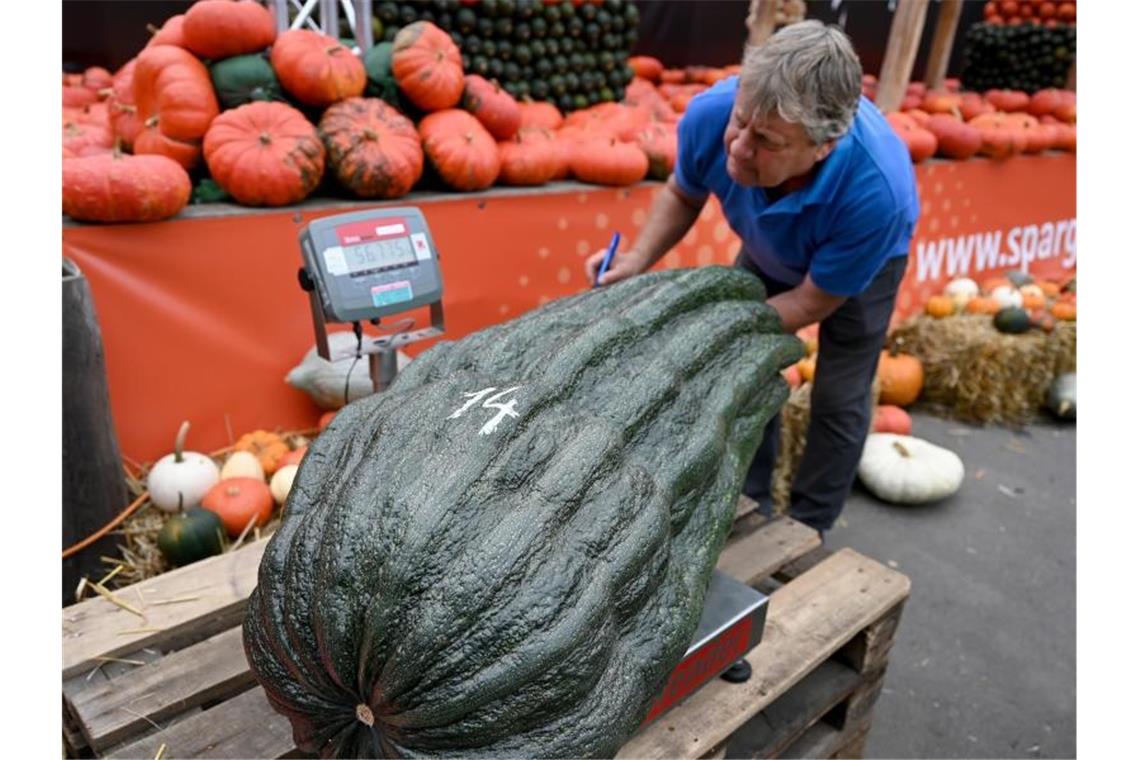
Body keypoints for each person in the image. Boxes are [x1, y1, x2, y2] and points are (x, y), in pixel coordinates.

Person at [585, 20, 919, 535]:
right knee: (745, 370)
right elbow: (683, 193)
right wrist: (637, 259)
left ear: (822, 146)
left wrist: (716, 330)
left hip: (855, 269)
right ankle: (749, 502)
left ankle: (808, 527)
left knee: (839, 393)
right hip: (770, 247)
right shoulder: (710, 115)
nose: (739, 147)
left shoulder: (877, 193)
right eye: (741, 121)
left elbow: (811, 301)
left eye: (765, 140)